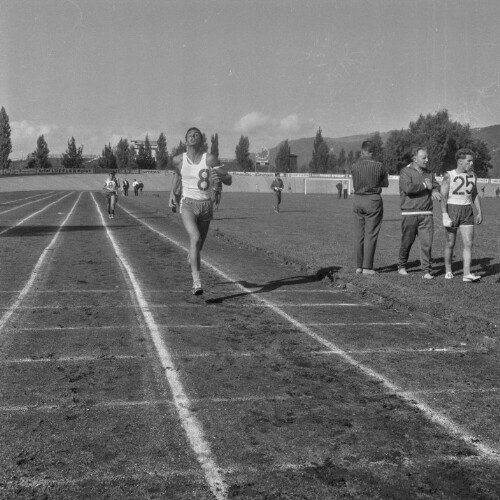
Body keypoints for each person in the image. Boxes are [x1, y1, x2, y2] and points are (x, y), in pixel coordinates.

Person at [169, 127, 232, 295]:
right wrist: (172, 193)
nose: (193, 136)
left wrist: (221, 177)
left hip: (206, 205)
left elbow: (229, 180)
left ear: (201, 140)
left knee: (198, 246)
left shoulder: (210, 159)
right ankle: (197, 282)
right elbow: (177, 175)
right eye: (190, 134)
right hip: (188, 204)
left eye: (196, 134)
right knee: (195, 238)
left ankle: (192, 258)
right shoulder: (178, 160)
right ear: (185, 140)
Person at [398, 147, 442, 279]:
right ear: (415, 159)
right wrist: (424, 186)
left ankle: (426, 271)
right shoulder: (405, 171)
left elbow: (435, 185)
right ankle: (401, 266)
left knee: (426, 243)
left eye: (427, 157)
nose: (427, 160)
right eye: (424, 158)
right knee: (407, 242)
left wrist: (434, 191)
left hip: (426, 213)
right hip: (409, 213)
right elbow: (408, 188)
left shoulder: (429, 173)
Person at [440, 148, 483, 282]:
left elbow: (474, 193)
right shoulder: (449, 175)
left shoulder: (472, 175)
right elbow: (443, 196)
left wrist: (479, 211)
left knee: (468, 243)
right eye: (469, 161)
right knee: (450, 242)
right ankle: (448, 270)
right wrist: (445, 214)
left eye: (472, 161)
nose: (471, 163)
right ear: (460, 161)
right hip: (452, 209)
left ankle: (466, 274)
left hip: (467, 211)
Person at [351, 140, 389, 275]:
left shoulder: (354, 166)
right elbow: (385, 184)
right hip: (373, 199)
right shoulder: (379, 166)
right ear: (372, 152)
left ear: (362, 151)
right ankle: (367, 267)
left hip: (357, 199)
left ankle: (358, 266)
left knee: (358, 234)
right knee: (371, 234)